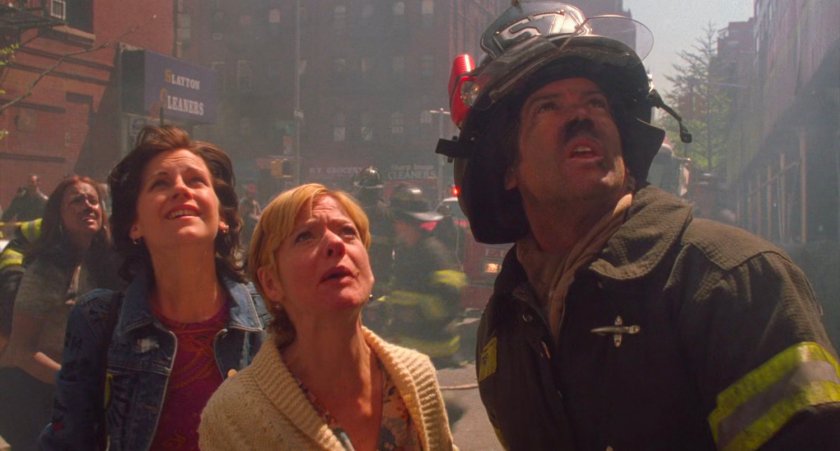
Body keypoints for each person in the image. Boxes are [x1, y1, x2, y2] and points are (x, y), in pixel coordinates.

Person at [434, 2, 840, 449]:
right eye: (547, 107)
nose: (580, 115)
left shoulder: (731, 281)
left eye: (596, 102)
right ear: (508, 166)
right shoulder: (506, 320)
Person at [39, 126, 266, 451]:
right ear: (135, 224)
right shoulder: (97, 320)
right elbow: (67, 442)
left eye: (196, 181)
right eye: (161, 183)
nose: (181, 190)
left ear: (223, 217)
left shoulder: (270, 315)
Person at [199, 183, 455, 450]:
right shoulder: (232, 416)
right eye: (305, 236)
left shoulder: (418, 377)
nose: (335, 243)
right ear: (271, 283)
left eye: (348, 232)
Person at [0, 176, 119, 451]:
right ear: (58, 215)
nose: (87, 206)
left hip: (83, 399)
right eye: (76, 200)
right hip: (30, 397)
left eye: (93, 200)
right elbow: (20, 350)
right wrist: (82, 385)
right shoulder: (46, 269)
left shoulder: (108, 264)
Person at [383, 183, 465, 368]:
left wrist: (416, 311)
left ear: (405, 221)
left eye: (396, 219)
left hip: (433, 347)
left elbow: (452, 294)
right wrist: (381, 306)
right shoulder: (406, 251)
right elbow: (400, 291)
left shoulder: (433, 252)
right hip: (409, 346)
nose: (394, 225)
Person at [238, 182, 261, 251]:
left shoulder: (255, 204)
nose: (251, 195)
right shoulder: (243, 203)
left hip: (253, 231)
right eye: (250, 193)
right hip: (245, 230)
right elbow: (241, 215)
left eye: (253, 194)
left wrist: (257, 218)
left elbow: (259, 214)